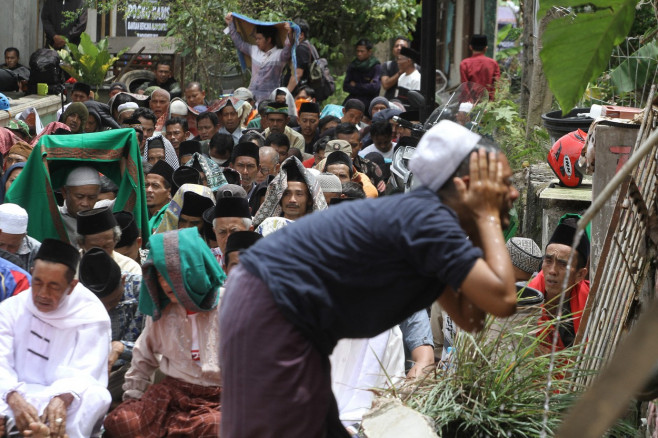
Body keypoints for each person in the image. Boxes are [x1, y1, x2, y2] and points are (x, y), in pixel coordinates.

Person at [219, 120, 518, 437]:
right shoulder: (430, 220)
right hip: (271, 305)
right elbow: (504, 299)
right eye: (505, 183)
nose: (513, 192)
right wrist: (486, 216)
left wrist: (482, 225)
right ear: (467, 186)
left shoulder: (435, 225)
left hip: (283, 312)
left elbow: (472, 318)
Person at [103, 228, 224, 437]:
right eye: (159, 276)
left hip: (217, 398)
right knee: (122, 420)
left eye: (172, 275)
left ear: (191, 271)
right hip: (172, 393)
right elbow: (143, 357)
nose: (164, 284)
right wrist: (134, 399)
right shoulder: (161, 309)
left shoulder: (228, 303)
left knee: (214, 426)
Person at [0, 238, 111, 438]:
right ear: (31, 273)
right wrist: (13, 397)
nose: (42, 293)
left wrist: (62, 397)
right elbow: (1, 362)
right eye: (38, 282)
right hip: (14, 393)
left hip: (64, 398)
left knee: (95, 396)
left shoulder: (91, 314)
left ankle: (42, 432)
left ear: (71, 286)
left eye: (54, 286)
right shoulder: (11, 308)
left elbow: (87, 372)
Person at [78, 248, 144, 404]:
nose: (105, 310)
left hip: (133, 366)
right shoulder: (77, 299)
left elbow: (156, 348)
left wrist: (121, 348)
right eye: (99, 305)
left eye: (111, 302)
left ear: (123, 280)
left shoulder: (142, 289)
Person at [527, 216, 590, 350]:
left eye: (563, 264)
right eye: (548, 261)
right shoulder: (524, 301)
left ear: (580, 274)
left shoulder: (591, 306)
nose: (552, 271)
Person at [225, 13, 293, 103]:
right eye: (256, 38)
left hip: (269, 99)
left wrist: (290, 33)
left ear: (268, 40)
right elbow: (239, 43)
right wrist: (230, 24)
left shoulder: (279, 55)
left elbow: (288, 47)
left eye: (259, 39)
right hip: (250, 96)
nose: (256, 41)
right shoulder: (254, 50)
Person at [252, 156, 327, 231]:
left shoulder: (316, 232)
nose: (292, 200)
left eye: (299, 194)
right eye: (287, 194)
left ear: (310, 200)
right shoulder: (267, 227)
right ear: (280, 197)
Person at [76, 206, 142, 275]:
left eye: (107, 246)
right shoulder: (70, 268)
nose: (102, 252)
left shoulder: (129, 268)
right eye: (95, 248)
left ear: (115, 240)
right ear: (81, 244)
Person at [58, 166, 101, 248]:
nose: (85, 203)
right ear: (64, 192)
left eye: (91, 197)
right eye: (79, 197)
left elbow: (129, 197)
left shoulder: (102, 212)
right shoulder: (54, 215)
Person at [343, 39, 382, 110]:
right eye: (357, 51)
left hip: (368, 103)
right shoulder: (353, 65)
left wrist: (356, 85)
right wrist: (366, 86)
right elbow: (346, 86)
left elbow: (374, 88)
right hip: (352, 99)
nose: (359, 54)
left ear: (369, 52)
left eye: (362, 51)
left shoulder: (375, 66)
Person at [0, 203, 41, 270]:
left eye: (12, 246)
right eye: (0, 244)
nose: (5, 250)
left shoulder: (37, 252)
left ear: (24, 236)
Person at [459, 34, 500, 101]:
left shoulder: (464, 64)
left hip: (469, 104)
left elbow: (465, 87)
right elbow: (496, 85)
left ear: (470, 47)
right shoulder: (493, 64)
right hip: (488, 104)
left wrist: (469, 103)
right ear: (485, 48)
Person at [212, 196, 253, 260]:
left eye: (234, 232)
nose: (228, 240)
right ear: (215, 232)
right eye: (222, 232)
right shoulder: (208, 260)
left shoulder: (264, 261)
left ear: (250, 231)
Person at [145, 160, 174, 225]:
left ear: (169, 192)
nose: (148, 190)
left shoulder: (174, 218)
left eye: (155, 186)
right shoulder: (139, 215)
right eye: (146, 185)